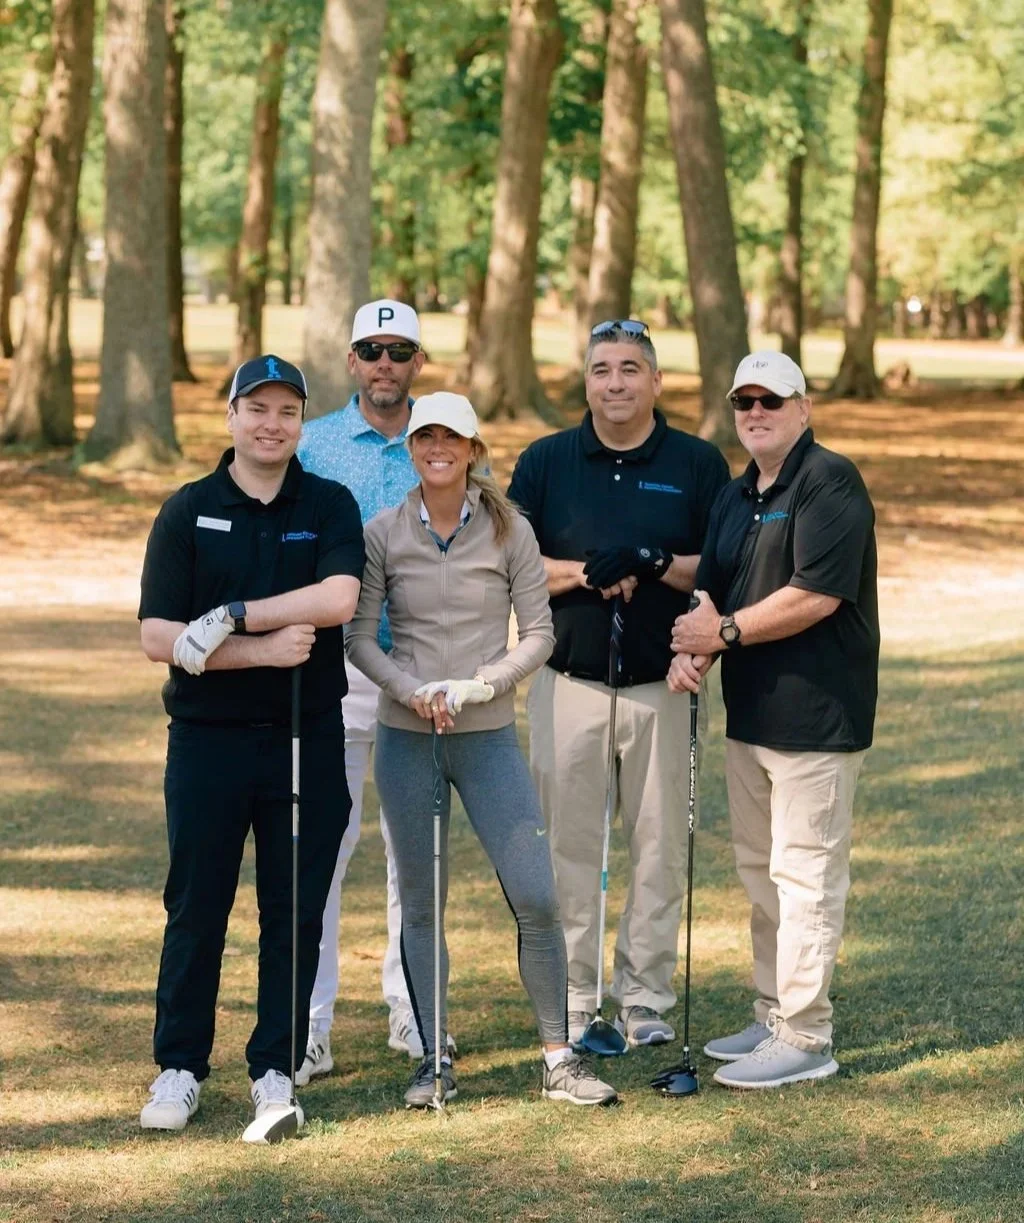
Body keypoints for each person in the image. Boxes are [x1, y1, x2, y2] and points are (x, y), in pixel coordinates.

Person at [346, 391, 618, 1107]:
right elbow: (359, 637)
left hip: (486, 733)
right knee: (421, 906)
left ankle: (559, 1058)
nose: (438, 448)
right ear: (412, 448)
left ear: (473, 450)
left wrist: (482, 683)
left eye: (452, 438)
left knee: (536, 894)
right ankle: (433, 1058)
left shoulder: (510, 531)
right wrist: (408, 689)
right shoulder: (381, 532)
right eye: (425, 436)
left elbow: (539, 634)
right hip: (408, 737)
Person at [136, 355, 364, 1135]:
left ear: (301, 422)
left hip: (305, 739)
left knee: (293, 910)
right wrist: (263, 649)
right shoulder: (189, 509)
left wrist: (230, 615)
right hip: (207, 741)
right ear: (231, 415)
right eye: (257, 408)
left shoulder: (328, 503)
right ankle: (178, 1065)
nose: (272, 424)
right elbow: (158, 635)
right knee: (196, 904)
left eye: (287, 411)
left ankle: (275, 1068)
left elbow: (338, 598)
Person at [507, 320, 730, 1049]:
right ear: (586, 381)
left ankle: (645, 997)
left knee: (660, 847)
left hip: (664, 686)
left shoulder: (697, 463)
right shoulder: (546, 460)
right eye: (602, 369)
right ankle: (575, 997)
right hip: (568, 683)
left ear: (656, 381)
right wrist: (583, 574)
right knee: (568, 850)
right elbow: (509, 562)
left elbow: (721, 567)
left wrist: (654, 561)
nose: (615, 383)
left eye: (631, 368)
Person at [670, 350, 879, 1089]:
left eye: (771, 399)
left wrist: (722, 634)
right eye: (744, 401)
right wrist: (693, 652)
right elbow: (711, 595)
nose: (755, 412)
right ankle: (772, 1013)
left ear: (803, 408)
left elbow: (816, 594)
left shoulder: (830, 480)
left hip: (817, 718)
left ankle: (806, 1035)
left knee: (806, 876)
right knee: (761, 873)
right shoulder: (736, 496)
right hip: (750, 717)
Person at [295, 299, 456, 1081]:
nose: (385, 363)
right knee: (320, 845)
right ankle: (309, 1021)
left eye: (399, 350)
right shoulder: (314, 444)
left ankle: (411, 1005)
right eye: (372, 349)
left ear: (417, 361)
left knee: (414, 850)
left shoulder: (446, 440)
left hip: (421, 671)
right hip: (332, 669)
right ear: (352, 360)